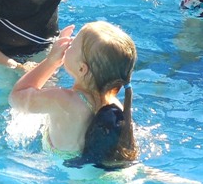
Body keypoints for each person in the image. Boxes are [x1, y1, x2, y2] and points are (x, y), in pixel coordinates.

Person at [9, 21, 138, 166]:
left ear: (82, 69)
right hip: (97, 170)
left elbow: (16, 97)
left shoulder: (61, 100)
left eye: (72, 45)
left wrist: (51, 61)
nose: (68, 44)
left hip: (67, 168)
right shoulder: (116, 107)